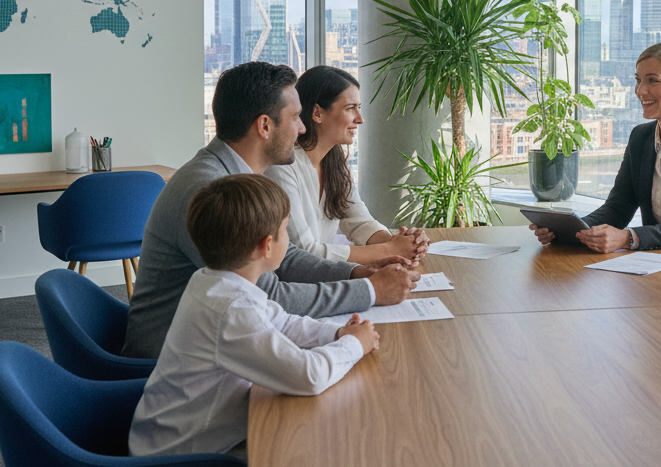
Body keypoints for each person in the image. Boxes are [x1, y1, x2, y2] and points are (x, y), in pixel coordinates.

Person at [122, 62, 416, 360]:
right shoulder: (213, 190)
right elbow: (268, 297)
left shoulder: (234, 176)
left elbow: (283, 259)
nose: (302, 128)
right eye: (296, 117)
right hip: (176, 365)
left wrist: (355, 273)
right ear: (264, 126)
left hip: (216, 342)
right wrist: (370, 291)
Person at [129, 174, 379, 461]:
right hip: (182, 455)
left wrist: (335, 334)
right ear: (266, 246)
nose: (290, 239)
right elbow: (308, 376)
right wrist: (355, 345)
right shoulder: (229, 310)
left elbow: (283, 322)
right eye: (286, 230)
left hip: (185, 436)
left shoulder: (213, 280)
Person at [530, 41, 661, 261]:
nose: (640, 91)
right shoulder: (640, 138)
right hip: (658, 262)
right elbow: (617, 209)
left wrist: (627, 238)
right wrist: (570, 231)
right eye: (638, 80)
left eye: (652, 80)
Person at [265, 66, 430, 264]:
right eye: (350, 108)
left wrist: (402, 243)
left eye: (359, 108)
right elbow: (304, 251)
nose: (360, 119)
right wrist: (388, 250)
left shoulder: (334, 162)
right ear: (317, 113)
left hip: (324, 277)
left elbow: (359, 222)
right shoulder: (281, 169)